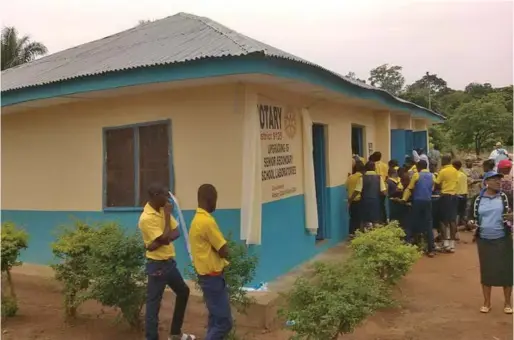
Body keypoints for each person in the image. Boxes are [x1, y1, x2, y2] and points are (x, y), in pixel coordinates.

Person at [138, 183, 195, 340]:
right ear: (156, 196)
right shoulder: (146, 218)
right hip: (156, 266)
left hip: (169, 264)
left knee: (183, 292)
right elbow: (164, 237)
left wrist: (158, 242)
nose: (168, 198)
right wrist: (167, 220)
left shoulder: (162, 209)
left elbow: (174, 233)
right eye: (165, 195)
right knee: (153, 305)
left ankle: (175, 333)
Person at [189, 184, 232, 339]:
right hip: (212, 278)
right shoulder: (207, 222)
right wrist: (222, 251)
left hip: (207, 277)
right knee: (224, 322)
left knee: (215, 320)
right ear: (209, 200)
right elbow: (224, 250)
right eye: (215, 200)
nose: (215, 204)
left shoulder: (196, 220)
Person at [471, 172, 512, 314]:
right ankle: (487, 302)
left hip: (503, 238)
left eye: (499, 180)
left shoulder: (505, 197)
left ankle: (508, 303)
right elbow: (471, 217)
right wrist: (471, 224)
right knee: (486, 271)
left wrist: (512, 217)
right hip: (484, 240)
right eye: (494, 180)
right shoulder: (477, 199)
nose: (498, 182)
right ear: (486, 182)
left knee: (506, 270)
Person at [402, 160, 436, 257]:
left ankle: (409, 245)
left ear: (418, 167)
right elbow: (432, 188)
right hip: (428, 202)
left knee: (412, 222)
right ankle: (431, 249)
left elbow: (410, 188)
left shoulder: (416, 175)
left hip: (417, 201)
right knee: (429, 224)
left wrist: (404, 199)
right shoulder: (432, 176)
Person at [434, 155, 459, 253]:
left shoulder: (443, 171)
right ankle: (452, 244)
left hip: (445, 196)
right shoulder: (455, 171)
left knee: (443, 220)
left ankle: (446, 243)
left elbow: (437, 184)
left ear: (444, 160)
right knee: (452, 220)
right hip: (454, 196)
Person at [358, 161, 387, 228]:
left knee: (364, 221)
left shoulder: (362, 177)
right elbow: (383, 191)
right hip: (375, 201)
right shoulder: (379, 178)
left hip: (364, 201)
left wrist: (350, 200)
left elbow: (357, 190)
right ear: (374, 168)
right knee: (375, 221)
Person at [347, 161, 365, 236]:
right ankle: (358, 234)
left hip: (352, 201)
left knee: (353, 217)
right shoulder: (361, 177)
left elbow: (346, 187)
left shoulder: (350, 177)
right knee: (360, 218)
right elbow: (358, 190)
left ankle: (351, 233)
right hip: (359, 200)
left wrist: (350, 200)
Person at [370, 152, 388, 223]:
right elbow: (386, 176)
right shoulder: (385, 165)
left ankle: (376, 220)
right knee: (382, 204)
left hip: (376, 187)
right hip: (383, 186)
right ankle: (384, 219)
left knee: (375, 204)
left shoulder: (373, 165)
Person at [453, 160, 468, 228]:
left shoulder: (454, 174)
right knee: (462, 211)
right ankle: (463, 225)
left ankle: (455, 227)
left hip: (457, 195)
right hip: (464, 194)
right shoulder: (464, 175)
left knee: (456, 212)